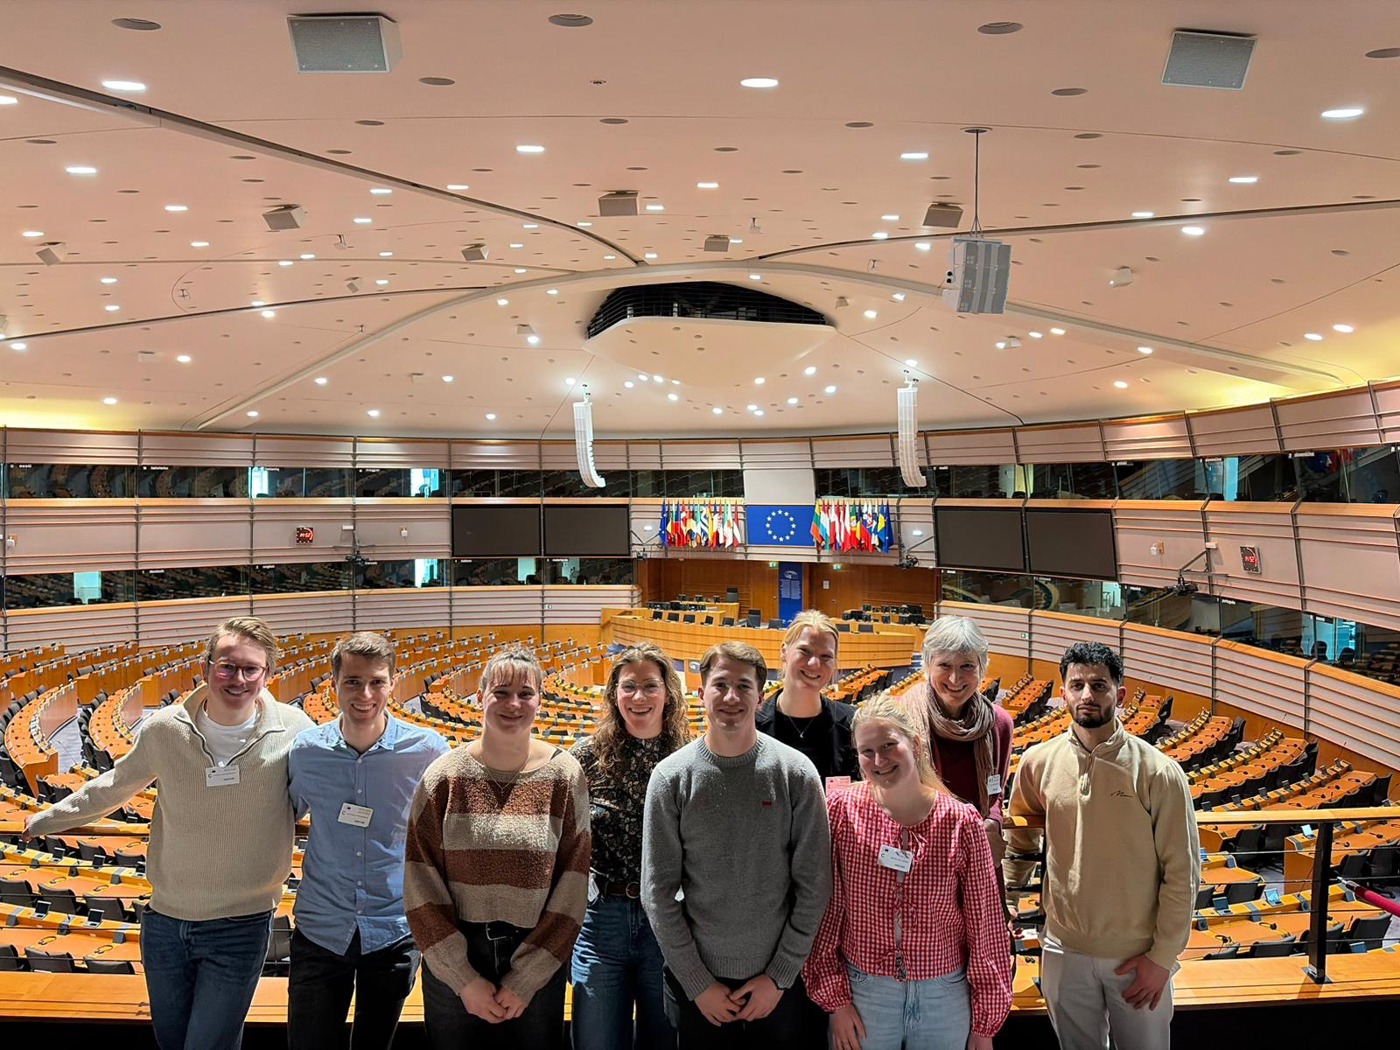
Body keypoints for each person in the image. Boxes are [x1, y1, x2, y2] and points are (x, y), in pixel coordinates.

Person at [25, 616, 314, 1050]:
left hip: (242, 923)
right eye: (227, 666)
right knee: (173, 1042)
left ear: (268, 675)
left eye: (251, 668)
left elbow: (321, 792)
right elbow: (114, 785)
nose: (238, 678)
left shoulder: (296, 731)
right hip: (165, 922)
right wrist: (48, 819)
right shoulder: (165, 728)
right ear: (206, 668)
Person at [1007, 642, 1200, 1050]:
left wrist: (1161, 958)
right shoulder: (1037, 762)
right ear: (1062, 694)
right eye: (1076, 685)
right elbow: (1020, 838)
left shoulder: (1158, 772)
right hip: (1062, 949)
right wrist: (1008, 898)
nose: (1087, 695)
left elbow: (1182, 872)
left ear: (1120, 694)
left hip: (1137, 957)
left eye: (1099, 685)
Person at [642, 641, 832, 1049]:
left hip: (776, 984)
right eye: (720, 684)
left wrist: (780, 974)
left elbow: (815, 886)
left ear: (761, 696)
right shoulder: (670, 777)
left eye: (744, 686)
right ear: (701, 693)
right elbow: (656, 894)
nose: (731, 697)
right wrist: (698, 982)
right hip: (697, 985)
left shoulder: (796, 773)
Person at [404, 645, 590, 1050]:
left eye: (525, 693)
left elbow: (573, 883)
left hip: (538, 955)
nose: (514, 703)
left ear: (541, 700)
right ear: (480, 697)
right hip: (456, 954)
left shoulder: (564, 774)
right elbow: (421, 882)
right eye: (501, 692)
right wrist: (462, 978)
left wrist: (527, 978)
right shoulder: (445, 776)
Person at [804, 693, 1013, 1050]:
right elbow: (827, 907)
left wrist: (985, 1023)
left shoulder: (961, 822)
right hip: (866, 990)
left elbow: (985, 922)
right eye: (866, 751)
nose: (878, 760)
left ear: (914, 744)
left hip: (944, 993)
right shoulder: (840, 811)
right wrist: (835, 1000)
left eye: (889, 745)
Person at [286, 632, 450, 1050]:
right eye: (353, 682)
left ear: (393, 683)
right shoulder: (305, 751)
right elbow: (279, 817)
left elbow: (448, 830)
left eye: (377, 681)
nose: (365, 693)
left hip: (393, 927)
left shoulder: (428, 750)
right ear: (334, 684)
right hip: (322, 927)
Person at [569, 643, 691, 1049]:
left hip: (670, 922)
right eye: (628, 686)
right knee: (596, 1041)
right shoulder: (585, 758)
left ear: (668, 693)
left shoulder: (691, 758)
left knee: (665, 1042)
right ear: (614, 695)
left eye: (650, 686)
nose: (639, 697)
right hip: (602, 920)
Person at [907, 617, 1014, 870]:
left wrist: (993, 822)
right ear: (927, 665)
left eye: (967, 666)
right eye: (944, 665)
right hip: (920, 854)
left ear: (982, 668)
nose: (955, 679)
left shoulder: (999, 724)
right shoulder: (901, 720)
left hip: (977, 851)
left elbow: (995, 793)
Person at [755, 609, 860, 784]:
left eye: (826, 656)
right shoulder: (751, 726)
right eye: (805, 651)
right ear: (784, 651)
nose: (814, 664)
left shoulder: (853, 724)